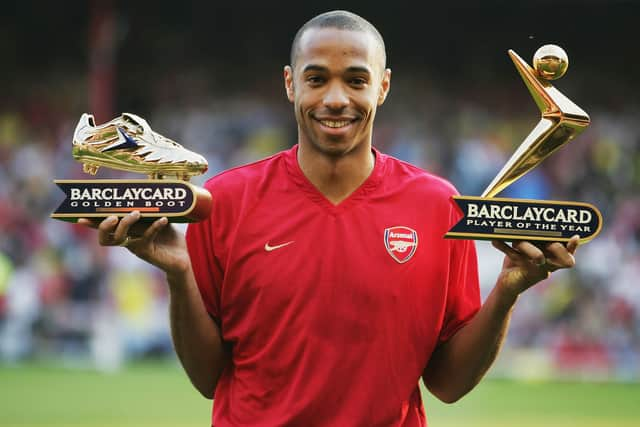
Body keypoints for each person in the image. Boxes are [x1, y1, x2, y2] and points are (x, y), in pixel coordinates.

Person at [79, 10, 579, 427]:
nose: (335, 99)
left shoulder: (437, 205)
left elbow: (447, 385)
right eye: (317, 79)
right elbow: (209, 378)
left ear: (382, 87)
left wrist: (508, 289)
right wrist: (179, 272)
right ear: (290, 83)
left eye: (356, 80)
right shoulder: (226, 200)